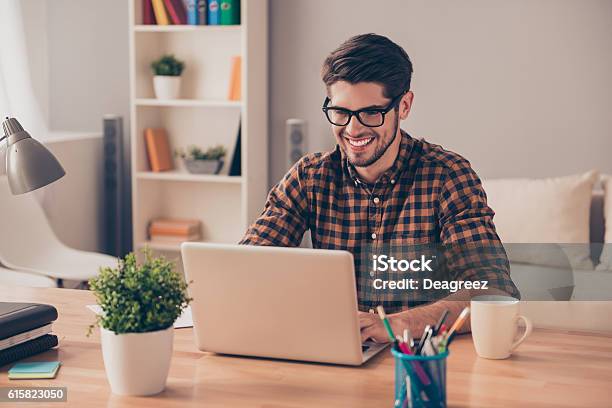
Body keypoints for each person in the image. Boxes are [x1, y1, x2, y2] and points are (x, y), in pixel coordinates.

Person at [240, 33, 518, 343]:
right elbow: (249, 266)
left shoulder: (448, 177)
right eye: (341, 112)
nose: (353, 129)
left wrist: (400, 325)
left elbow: (492, 290)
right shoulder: (310, 177)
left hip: (421, 361)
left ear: (404, 106)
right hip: (335, 352)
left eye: (371, 113)